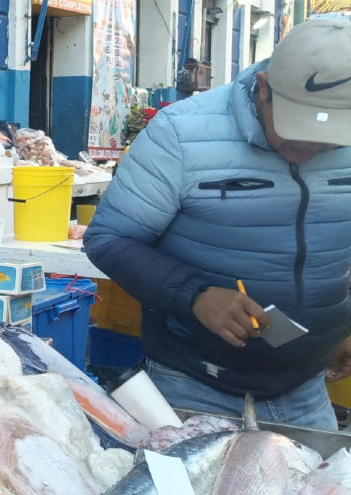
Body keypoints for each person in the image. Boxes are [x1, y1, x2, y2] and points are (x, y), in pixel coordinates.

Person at [83, 17, 351, 430]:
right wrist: (197, 296)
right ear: (262, 88)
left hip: (306, 388)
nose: (311, 147)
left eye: (329, 137)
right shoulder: (180, 134)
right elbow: (109, 238)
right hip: (192, 384)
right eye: (296, 129)